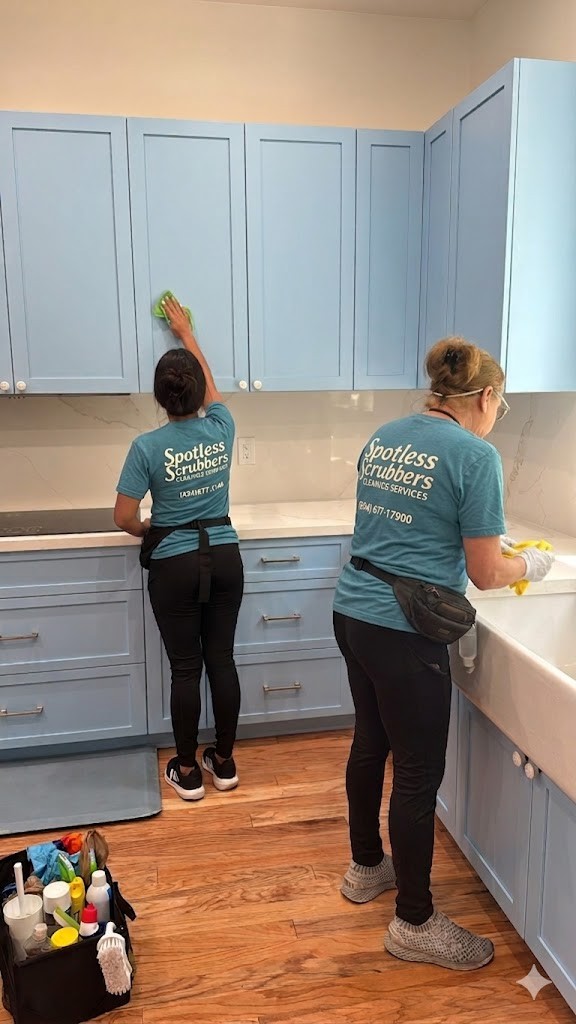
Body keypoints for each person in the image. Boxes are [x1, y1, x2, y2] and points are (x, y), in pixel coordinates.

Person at [333, 337, 554, 971]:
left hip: (354, 610)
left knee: (370, 743)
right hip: (406, 631)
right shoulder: (475, 455)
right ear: (485, 396)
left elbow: (405, 523)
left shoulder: (385, 436)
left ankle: (366, 868)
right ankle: (414, 922)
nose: (497, 414)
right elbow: (488, 573)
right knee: (418, 773)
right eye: (500, 404)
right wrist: (530, 563)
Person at [114, 297, 243, 802]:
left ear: (159, 397)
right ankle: (226, 763)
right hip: (226, 556)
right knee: (223, 661)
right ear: (196, 394)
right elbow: (213, 388)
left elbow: (123, 517)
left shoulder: (146, 447)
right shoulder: (221, 427)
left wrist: (148, 527)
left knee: (186, 668)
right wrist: (187, 334)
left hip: (174, 564)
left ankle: (188, 772)